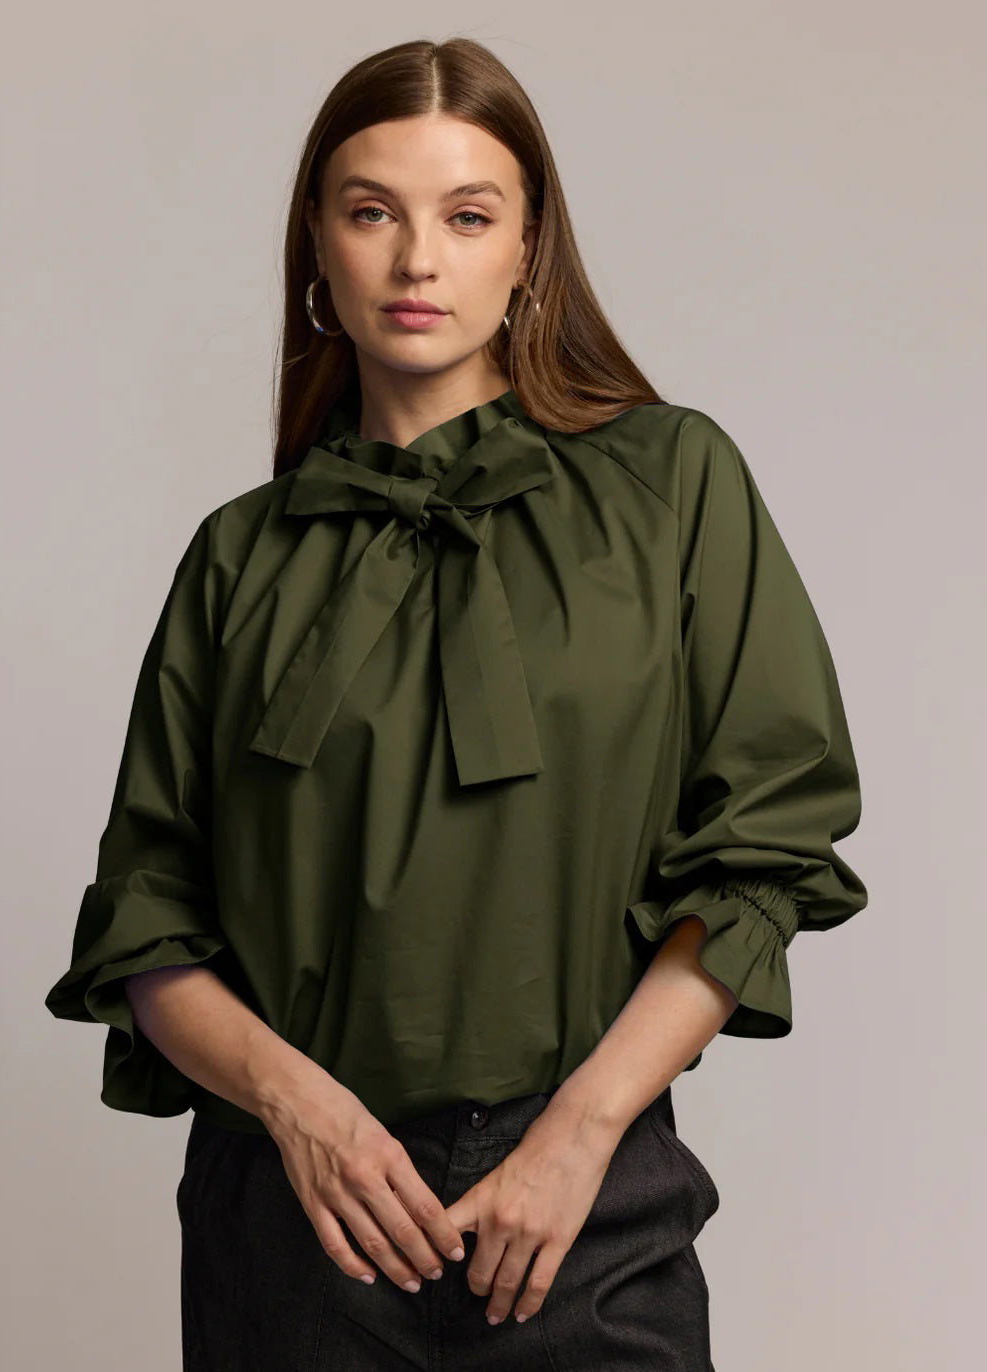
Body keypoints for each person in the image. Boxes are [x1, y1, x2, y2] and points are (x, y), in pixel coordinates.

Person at [44, 35, 868, 1371]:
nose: (417, 258)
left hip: (585, 1211)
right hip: (294, 1228)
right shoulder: (240, 559)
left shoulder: (672, 489)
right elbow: (147, 920)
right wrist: (297, 1109)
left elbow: (766, 845)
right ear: (319, 243)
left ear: (528, 248)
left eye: (467, 215)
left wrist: (582, 1132)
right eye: (372, 212)